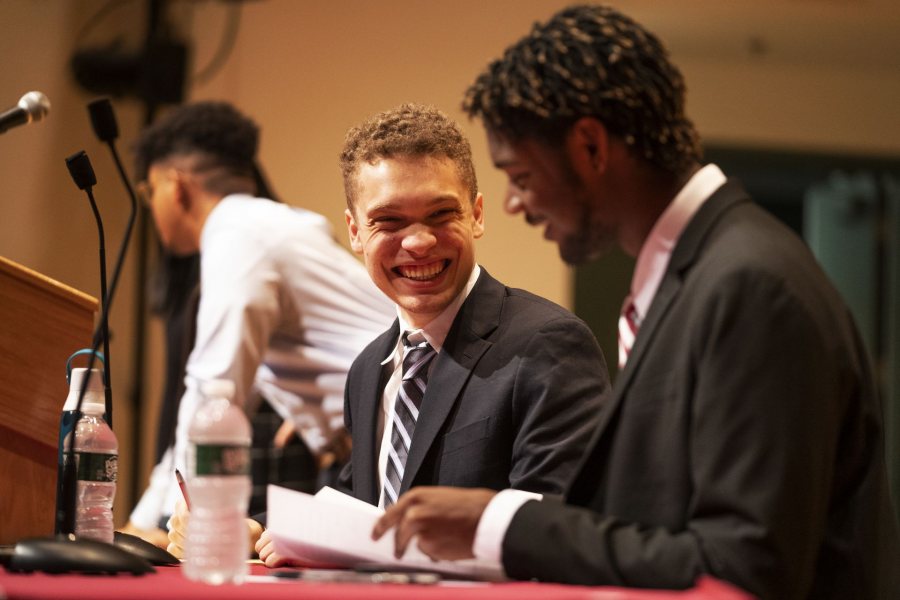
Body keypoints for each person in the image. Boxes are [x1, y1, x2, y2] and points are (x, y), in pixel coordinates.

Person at [371, 5, 900, 599]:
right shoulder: (695, 275)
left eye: (519, 174)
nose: (515, 203)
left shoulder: (750, 283)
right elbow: (662, 526)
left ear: (590, 146)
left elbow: (743, 567)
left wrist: (498, 523)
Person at [252, 103, 612, 566]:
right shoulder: (368, 369)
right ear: (355, 232)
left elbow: (561, 528)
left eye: (441, 214)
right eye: (389, 221)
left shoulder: (549, 344)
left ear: (477, 215)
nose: (418, 242)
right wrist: (259, 526)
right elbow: (362, 506)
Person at [121, 101, 395, 547]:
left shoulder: (237, 232)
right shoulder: (264, 225)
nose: (152, 208)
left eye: (149, 193)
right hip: (367, 446)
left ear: (176, 187)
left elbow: (214, 394)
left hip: (395, 438)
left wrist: (157, 525)